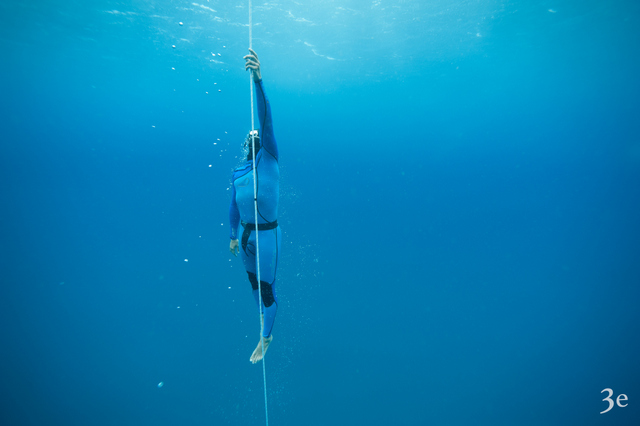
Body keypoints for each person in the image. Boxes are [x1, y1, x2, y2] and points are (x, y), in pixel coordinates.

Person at [229, 48, 281, 364]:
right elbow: (234, 205)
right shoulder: (239, 172)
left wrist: (258, 80)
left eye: (256, 136)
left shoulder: (270, 159)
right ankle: (263, 318)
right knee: (252, 283)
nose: (253, 136)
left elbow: (266, 120)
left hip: (266, 237)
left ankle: (267, 336)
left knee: (266, 289)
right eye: (249, 137)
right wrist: (234, 235)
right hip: (248, 237)